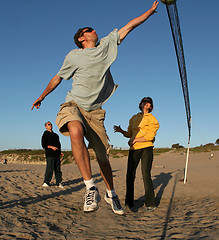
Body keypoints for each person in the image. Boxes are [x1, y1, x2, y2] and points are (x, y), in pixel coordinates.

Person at [31, 1, 159, 215]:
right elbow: (58, 77)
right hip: (74, 104)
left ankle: (111, 193)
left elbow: (129, 26)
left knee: (103, 159)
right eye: (89, 29)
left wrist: (150, 11)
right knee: (75, 130)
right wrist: (42, 96)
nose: (94, 30)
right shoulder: (73, 55)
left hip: (95, 113)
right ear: (82, 38)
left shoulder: (106, 45)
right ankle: (90, 187)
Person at [114, 97, 159, 211]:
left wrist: (136, 140)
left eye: (149, 103)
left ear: (151, 106)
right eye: (144, 101)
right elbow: (129, 134)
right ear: (140, 104)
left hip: (146, 148)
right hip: (133, 149)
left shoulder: (152, 119)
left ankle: (150, 203)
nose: (146, 103)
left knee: (145, 174)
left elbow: (150, 136)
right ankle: (129, 203)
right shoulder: (134, 118)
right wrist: (121, 131)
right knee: (130, 175)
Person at [41, 121, 64, 189]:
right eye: (48, 124)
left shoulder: (56, 135)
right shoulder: (45, 134)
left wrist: (60, 152)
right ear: (46, 126)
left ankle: (58, 182)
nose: (50, 125)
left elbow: (59, 145)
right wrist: (51, 147)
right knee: (49, 168)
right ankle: (46, 182)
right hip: (50, 154)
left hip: (56, 154)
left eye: (51, 124)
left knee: (58, 169)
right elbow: (43, 145)